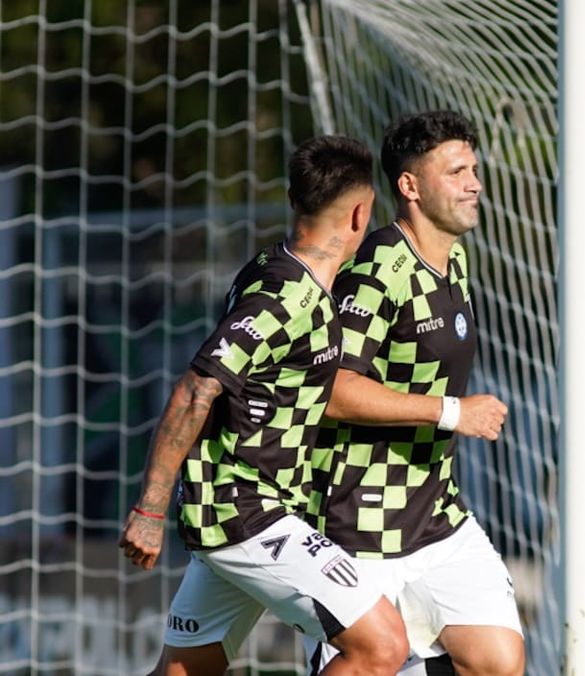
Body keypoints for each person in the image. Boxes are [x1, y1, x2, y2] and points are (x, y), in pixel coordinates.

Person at [118, 135, 410, 676]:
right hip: (247, 513)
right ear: (359, 214)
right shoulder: (282, 297)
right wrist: (149, 511)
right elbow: (196, 389)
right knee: (382, 645)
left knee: (183, 672)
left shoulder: (272, 268)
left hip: (251, 509)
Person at [308, 110, 524, 676]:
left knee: (498, 661)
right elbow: (332, 389)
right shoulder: (379, 266)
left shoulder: (456, 258)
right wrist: (453, 412)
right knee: (372, 663)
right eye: (456, 172)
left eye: (473, 169)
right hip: (361, 524)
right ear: (410, 186)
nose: (474, 183)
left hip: (436, 518)